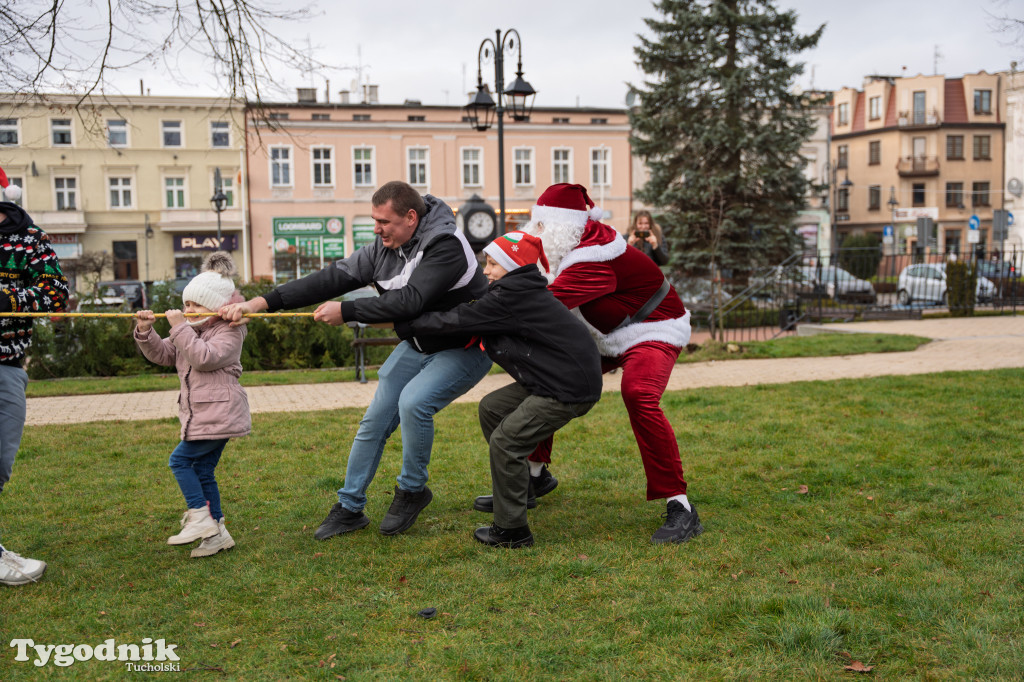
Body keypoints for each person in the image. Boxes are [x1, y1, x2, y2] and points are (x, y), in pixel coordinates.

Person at [219, 181, 491, 539]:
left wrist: (347, 311)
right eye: (374, 220)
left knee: (414, 404)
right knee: (373, 423)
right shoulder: (383, 248)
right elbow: (329, 279)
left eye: (384, 222)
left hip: (466, 347)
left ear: (411, 217)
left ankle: (412, 491)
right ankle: (349, 508)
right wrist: (260, 302)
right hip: (419, 344)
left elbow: (410, 301)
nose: (376, 230)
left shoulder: (447, 246)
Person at [511, 183, 702, 544]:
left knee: (638, 394)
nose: (534, 234)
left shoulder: (593, 258)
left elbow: (543, 306)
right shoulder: (571, 244)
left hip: (653, 329)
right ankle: (535, 475)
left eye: (540, 225)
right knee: (549, 375)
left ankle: (681, 505)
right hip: (605, 333)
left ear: (561, 226)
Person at [395, 232, 602, 548]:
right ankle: (518, 494)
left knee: (507, 443)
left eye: (492, 263)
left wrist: (408, 322)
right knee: (492, 407)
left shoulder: (512, 297)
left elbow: (460, 319)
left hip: (568, 388)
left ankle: (512, 531)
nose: (486, 270)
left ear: (512, 264)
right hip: (552, 381)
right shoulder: (514, 292)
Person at [134, 251, 249, 558]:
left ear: (215, 307)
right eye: (186, 304)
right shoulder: (191, 331)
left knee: (180, 461)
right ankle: (217, 534)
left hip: (219, 414)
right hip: (203, 416)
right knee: (202, 470)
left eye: (196, 305)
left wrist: (180, 326)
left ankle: (199, 517)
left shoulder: (229, 332)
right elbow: (163, 354)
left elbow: (204, 358)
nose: (188, 310)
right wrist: (146, 332)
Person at [0, 171, 70, 585]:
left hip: (7, 366)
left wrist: (6, 298)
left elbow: (55, 292)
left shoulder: (28, 238)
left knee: (0, 465)